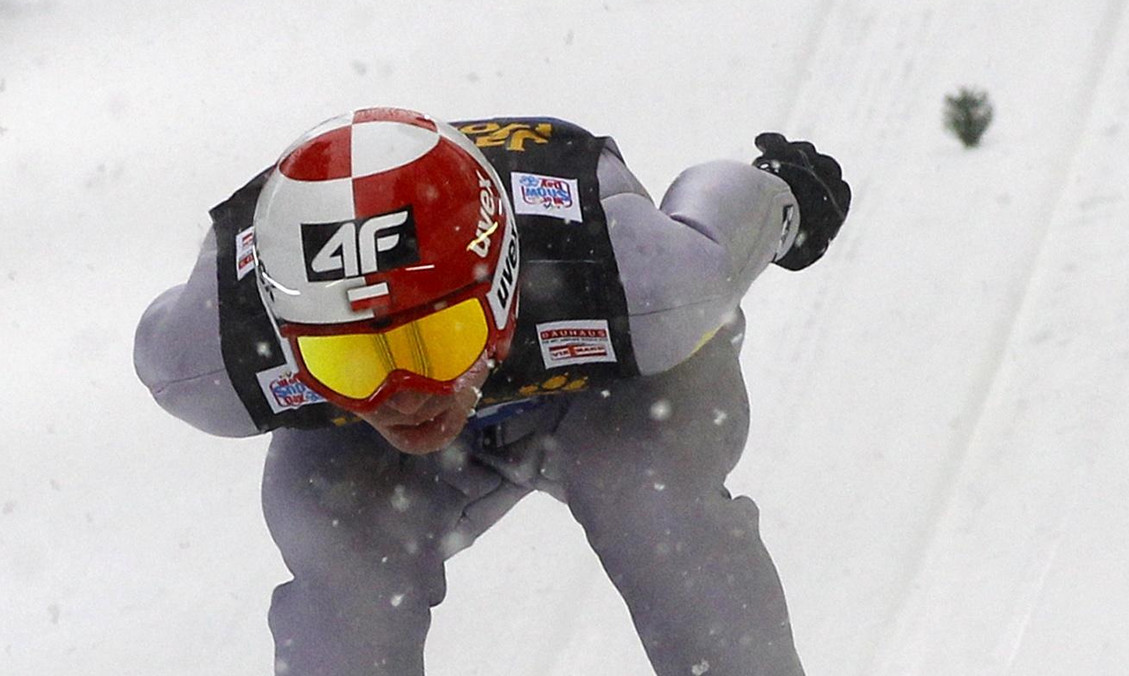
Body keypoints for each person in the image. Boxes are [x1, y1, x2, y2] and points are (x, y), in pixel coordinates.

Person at [134, 108, 850, 676]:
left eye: (435, 340)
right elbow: (716, 227)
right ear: (287, 339)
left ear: (508, 281)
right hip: (560, 353)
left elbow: (709, 242)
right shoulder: (206, 359)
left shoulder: (639, 279)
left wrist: (782, 192)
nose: (406, 396)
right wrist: (787, 198)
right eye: (351, 359)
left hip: (605, 389)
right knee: (343, 565)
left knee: (645, 498)